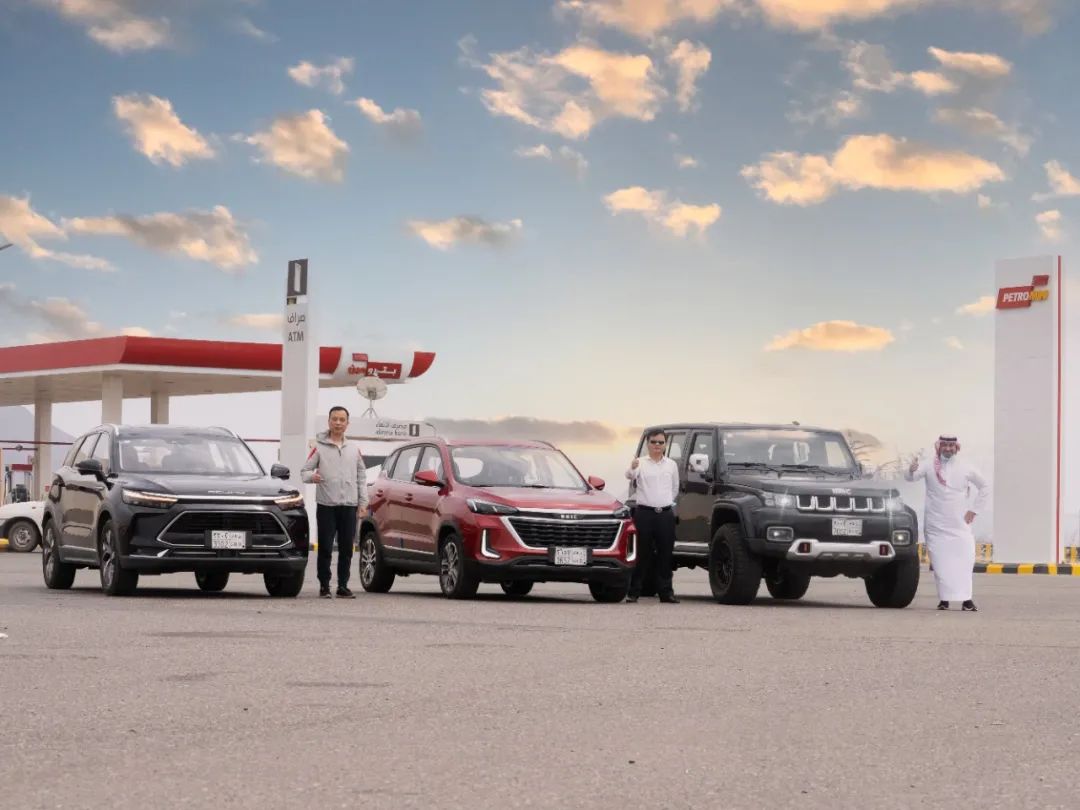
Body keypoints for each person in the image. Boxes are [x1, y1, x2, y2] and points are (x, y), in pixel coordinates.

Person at [906, 434, 990, 611]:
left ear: (956, 448)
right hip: (936, 523)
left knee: (965, 560)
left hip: (959, 524)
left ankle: (967, 600)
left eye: (951, 446)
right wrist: (911, 470)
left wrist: (974, 510)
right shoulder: (928, 465)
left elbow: (984, 486)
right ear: (939, 446)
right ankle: (944, 600)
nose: (948, 449)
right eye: (945, 445)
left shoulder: (966, 466)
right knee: (941, 564)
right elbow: (911, 478)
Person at [301, 406, 369, 599]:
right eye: (334, 419)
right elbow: (304, 471)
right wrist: (312, 477)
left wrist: (363, 502)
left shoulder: (354, 449)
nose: (338, 423)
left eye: (342, 420)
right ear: (329, 422)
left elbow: (361, 477)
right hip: (326, 506)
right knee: (325, 547)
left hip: (349, 505)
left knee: (347, 548)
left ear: (347, 423)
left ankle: (343, 586)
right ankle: (324, 585)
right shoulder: (319, 447)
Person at [625, 429, 680, 604]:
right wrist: (632, 467)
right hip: (644, 514)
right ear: (648, 444)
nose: (657, 445)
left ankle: (666, 593)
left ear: (665, 445)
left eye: (661, 442)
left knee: (665, 554)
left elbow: (675, 488)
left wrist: (665, 502)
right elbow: (629, 475)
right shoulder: (640, 462)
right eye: (654, 442)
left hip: (665, 514)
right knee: (642, 553)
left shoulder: (671, 464)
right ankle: (634, 592)